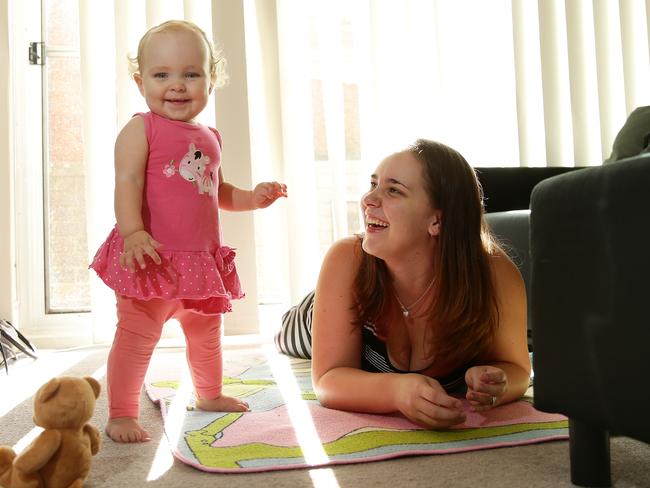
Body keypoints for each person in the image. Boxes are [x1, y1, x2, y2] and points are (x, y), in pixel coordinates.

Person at [90, 20, 287, 443]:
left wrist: (252, 197)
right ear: (141, 80)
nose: (177, 86)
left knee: (207, 335)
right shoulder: (141, 129)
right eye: (162, 75)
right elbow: (127, 182)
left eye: (191, 74)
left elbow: (216, 189)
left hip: (200, 265)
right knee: (136, 338)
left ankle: (209, 394)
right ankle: (122, 413)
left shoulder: (209, 136)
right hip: (152, 258)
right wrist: (133, 232)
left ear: (211, 79)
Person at [276, 139, 530, 429]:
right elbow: (328, 379)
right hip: (317, 315)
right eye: (373, 185)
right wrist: (397, 391)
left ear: (437, 220)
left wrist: (497, 381)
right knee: (286, 338)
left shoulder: (495, 274)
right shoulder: (346, 259)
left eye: (393, 190)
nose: (368, 199)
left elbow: (519, 370)